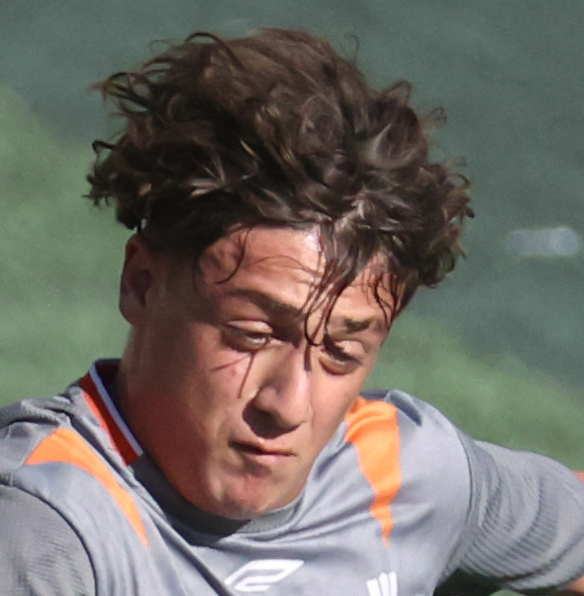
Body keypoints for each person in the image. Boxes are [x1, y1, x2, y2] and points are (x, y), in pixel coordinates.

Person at [0, 28, 582, 596]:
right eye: (252, 335)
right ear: (142, 284)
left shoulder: (402, 475)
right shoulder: (43, 536)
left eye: (341, 353)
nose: (289, 405)